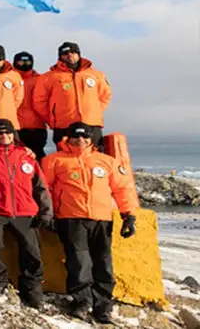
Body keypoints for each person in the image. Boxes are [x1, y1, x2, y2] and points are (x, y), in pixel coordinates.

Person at [41, 122, 140, 323]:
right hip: (71, 219)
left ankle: (103, 307)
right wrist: (47, 215)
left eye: (85, 136)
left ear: (91, 138)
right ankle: (81, 303)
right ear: (68, 138)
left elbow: (122, 189)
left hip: (101, 219)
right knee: (79, 263)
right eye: (76, 136)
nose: (80, 140)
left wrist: (128, 215)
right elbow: (44, 190)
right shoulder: (54, 161)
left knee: (104, 263)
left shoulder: (106, 162)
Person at [0, 119, 52, 309]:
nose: (5, 136)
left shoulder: (25, 155)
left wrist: (46, 211)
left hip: (25, 210)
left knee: (31, 250)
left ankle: (32, 290)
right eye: (0, 133)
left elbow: (40, 186)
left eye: (8, 133)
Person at [32, 42, 111, 146]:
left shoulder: (96, 75)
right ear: (60, 57)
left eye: (73, 52)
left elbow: (105, 95)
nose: (69, 55)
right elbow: (39, 101)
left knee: (94, 156)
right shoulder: (47, 77)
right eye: (65, 53)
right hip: (63, 125)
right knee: (66, 158)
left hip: (92, 124)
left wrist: (93, 111)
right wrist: (54, 117)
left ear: (79, 54)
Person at [12, 52, 48, 160]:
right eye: (21, 61)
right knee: (16, 156)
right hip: (15, 125)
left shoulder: (40, 79)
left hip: (36, 126)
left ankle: (40, 176)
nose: (24, 64)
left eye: (27, 61)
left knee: (36, 155)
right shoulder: (9, 78)